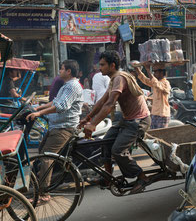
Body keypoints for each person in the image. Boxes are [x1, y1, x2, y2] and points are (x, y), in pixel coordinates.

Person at [79, 50, 151, 194]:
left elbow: (110, 104)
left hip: (139, 121)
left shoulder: (119, 78)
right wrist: (88, 118)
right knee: (105, 143)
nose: (100, 68)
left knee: (118, 151)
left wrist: (93, 124)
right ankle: (108, 177)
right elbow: (102, 101)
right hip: (127, 120)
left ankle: (142, 177)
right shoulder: (114, 79)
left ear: (112, 65)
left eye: (103, 65)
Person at [26, 59, 83, 202]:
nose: (59, 72)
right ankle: (41, 183)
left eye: (62, 69)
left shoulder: (72, 86)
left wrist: (39, 113)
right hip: (55, 126)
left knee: (46, 158)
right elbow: (55, 101)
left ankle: (44, 193)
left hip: (63, 128)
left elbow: (62, 106)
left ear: (68, 71)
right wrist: (38, 108)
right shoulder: (66, 85)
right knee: (41, 154)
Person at [135, 63, 171, 129]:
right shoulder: (156, 82)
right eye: (153, 72)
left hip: (162, 114)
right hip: (154, 113)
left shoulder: (165, 83)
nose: (154, 74)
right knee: (153, 134)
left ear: (161, 72)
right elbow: (145, 80)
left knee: (160, 134)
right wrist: (137, 70)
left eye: (155, 72)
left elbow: (157, 84)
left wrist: (148, 70)